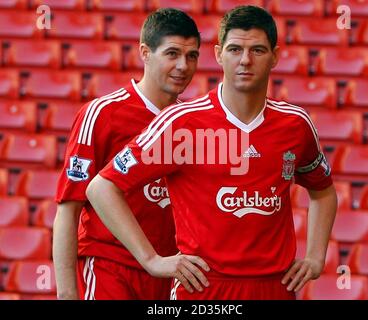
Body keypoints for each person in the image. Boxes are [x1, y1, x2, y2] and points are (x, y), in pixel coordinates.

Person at [86, 5, 338, 300]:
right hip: (203, 290)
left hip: (275, 287)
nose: (245, 60)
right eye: (234, 49)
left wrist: (315, 257)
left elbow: (323, 191)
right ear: (219, 54)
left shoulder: (295, 124)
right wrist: (151, 260)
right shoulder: (182, 123)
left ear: (275, 56)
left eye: (257, 50)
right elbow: (102, 187)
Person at [53, 8, 201, 300]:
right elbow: (67, 212)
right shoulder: (102, 114)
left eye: (192, 56)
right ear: (145, 53)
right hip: (111, 268)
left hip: (170, 274)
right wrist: (67, 293)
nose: (183, 66)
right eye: (172, 54)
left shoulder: (192, 123)